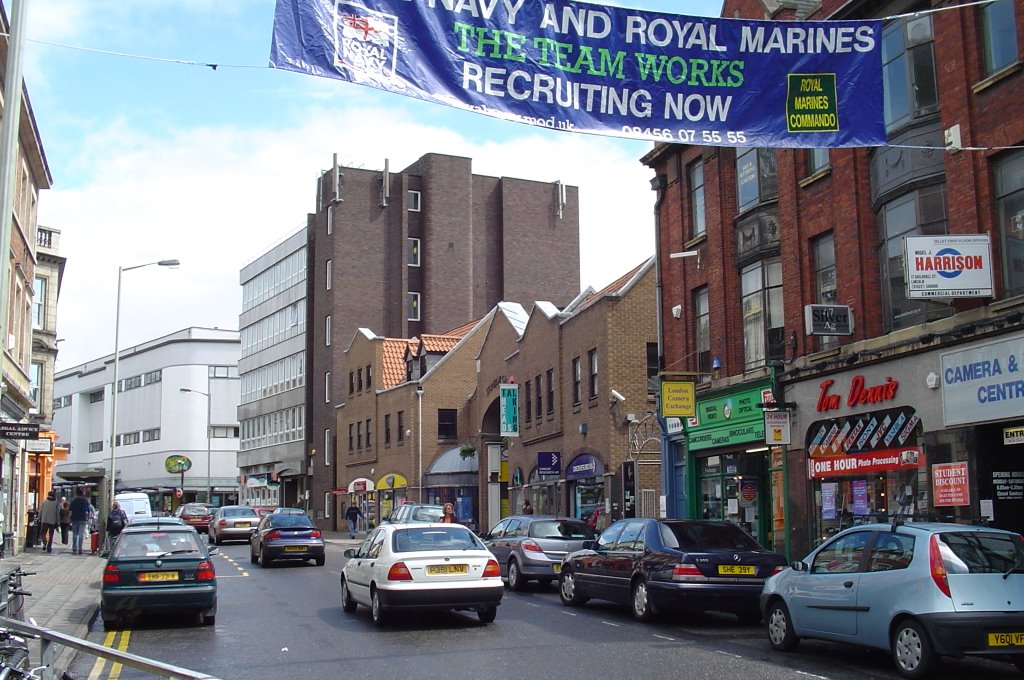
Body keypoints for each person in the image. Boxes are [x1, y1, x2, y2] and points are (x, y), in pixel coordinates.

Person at [69, 488, 92, 555]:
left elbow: (70, 512)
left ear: (76, 494)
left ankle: (74, 548)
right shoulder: (85, 501)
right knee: (81, 534)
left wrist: (70, 518)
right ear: (82, 494)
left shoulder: (73, 501)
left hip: (74, 519)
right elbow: (89, 511)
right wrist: (88, 518)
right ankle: (80, 548)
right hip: (83, 519)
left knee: (75, 534)